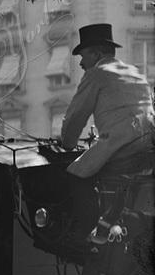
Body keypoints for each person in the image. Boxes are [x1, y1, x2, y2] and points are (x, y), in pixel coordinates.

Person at [60, 24, 155, 179]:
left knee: (70, 176)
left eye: (83, 56)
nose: (81, 63)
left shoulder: (96, 74)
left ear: (97, 55)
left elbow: (75, 117)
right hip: (147, 151)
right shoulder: (135, 73)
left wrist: (67, 143)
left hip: (121, 152)